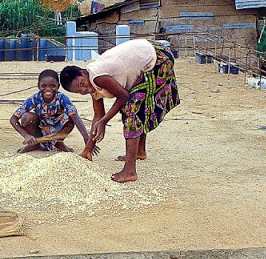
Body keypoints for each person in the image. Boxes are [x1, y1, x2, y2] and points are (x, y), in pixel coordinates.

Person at [60, 39, 180, 183]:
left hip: (158, 59)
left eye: (82, 84)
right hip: (147, 55)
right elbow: (98, 115)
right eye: (80, 91)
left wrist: (104, 121)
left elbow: (123, 96)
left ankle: (130, 171)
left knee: (131, 112)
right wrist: (88, 150)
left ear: (84, 72)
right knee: (134, 107)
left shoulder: (97, 77)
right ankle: (139, 152)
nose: (85, 90)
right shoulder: (91, 84)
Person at [10, 69, 92, 153]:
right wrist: (26, 135)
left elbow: (76, 118)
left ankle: (58, 142)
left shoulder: (62, 98)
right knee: (26, 117)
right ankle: (35, 143)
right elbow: (13, 119)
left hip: (57, 129)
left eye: (53, 86)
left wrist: (86, 138)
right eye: (43, 86)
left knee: (71, 117)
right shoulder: (34, 98)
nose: (48, 89)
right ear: (38, 86)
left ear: (58, 86)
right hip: (40, 129)